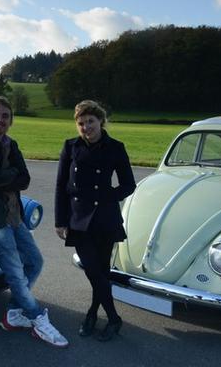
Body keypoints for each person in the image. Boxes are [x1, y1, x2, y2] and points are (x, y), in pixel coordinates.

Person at [0, 96, 69, 348]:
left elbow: (25, 180)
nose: (0, 120)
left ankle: (13, 313)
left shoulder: (11, 144)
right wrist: (10, 174)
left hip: (13, 215)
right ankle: (37, 318)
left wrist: (6, 175)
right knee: (15, 273)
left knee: (35, 261)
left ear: (11, 120)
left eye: (5, 116)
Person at [54, 100, 136, 342]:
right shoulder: (70, 147)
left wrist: (106, 197)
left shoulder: (116, 148)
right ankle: (113, 318)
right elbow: (61, 186)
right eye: (81, 123)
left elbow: (128, 184)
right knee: (93, 271)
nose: (86, 127)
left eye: (90, 121)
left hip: (105, 219)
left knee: (101, 272)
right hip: (78, 220)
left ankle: (91, 313)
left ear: (101, 121)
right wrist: (60, 220)